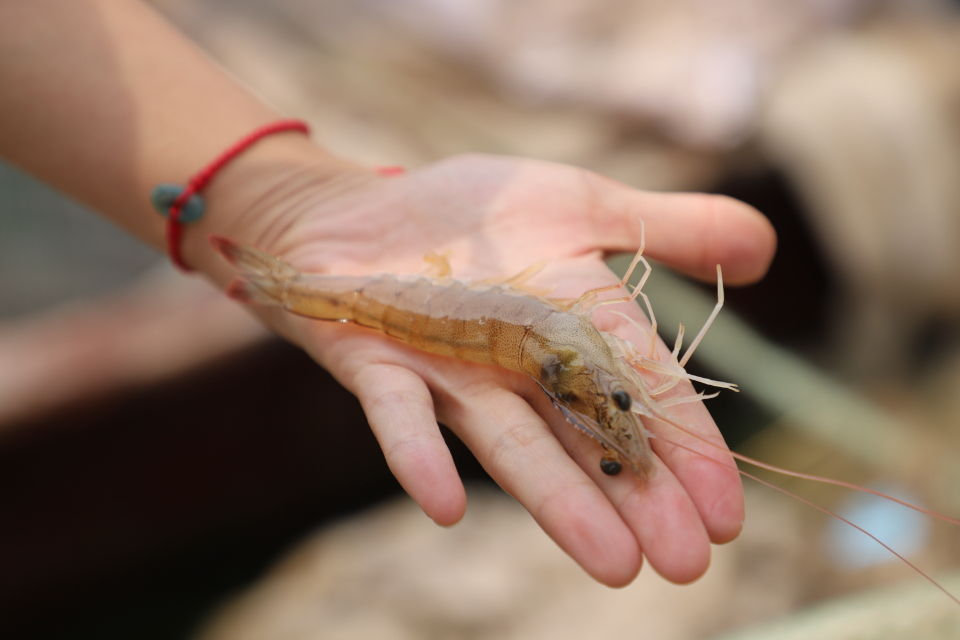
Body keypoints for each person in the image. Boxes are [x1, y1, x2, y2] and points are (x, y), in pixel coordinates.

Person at [0, 0, 775, 587]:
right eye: (616, 403)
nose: (613, 410)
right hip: (416, 307)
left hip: (474, 314)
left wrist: (265, 202)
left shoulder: (574, 359)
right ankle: (288, 277)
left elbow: (573, 373)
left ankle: (279, 261)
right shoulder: (571, 357)